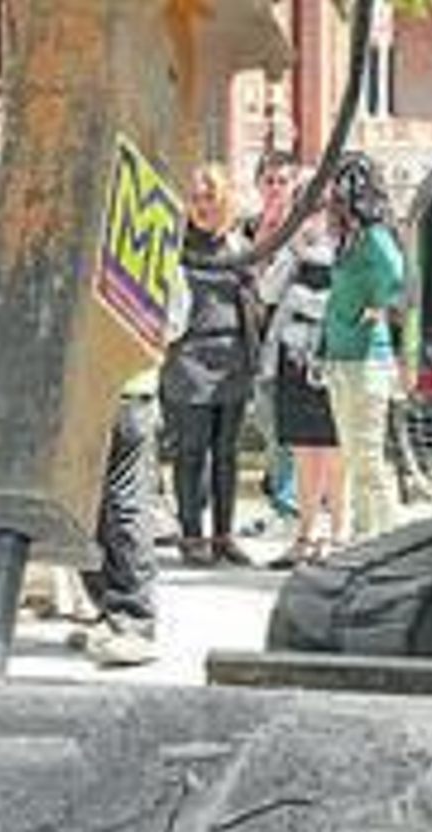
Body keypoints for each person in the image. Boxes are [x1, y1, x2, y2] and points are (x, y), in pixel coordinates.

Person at [161, 163, 259, 567]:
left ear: (224, 201)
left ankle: (223, 535)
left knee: (227, 453)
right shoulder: (175, 245)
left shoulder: (237, 246)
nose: (202, 206)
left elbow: (253, 298)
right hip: (190, 355)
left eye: (210, 198)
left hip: (232, 354)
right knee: (191, 450)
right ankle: (191, 534)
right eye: (196, 198)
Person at [321, 153, 404, 542]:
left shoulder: (373, 237)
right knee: (354, 457)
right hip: (342, 358)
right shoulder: (349, 240)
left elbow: (401, 278)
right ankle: (363, 536)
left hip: (367, 360)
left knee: (368, 459)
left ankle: (388, 538)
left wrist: (377, 308)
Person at [259, 203, 344, 568]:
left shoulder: (346, 246)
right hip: (293, 356)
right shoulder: (293, 249)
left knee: (336, 448)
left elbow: (349, 301)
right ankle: (304, 535)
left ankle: (338, 535)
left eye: (319, 209)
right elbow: (267, 293)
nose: (313, 219)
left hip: (333, 355)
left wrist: (303, 299)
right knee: (303, 448)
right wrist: (289, 252)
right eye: (306, 209)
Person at [74, 373, 161, 667]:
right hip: (100, 391)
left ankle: (133, 623)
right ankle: (111, 615)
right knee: (91, 507)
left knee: (122, 505)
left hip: (119, 390)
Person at [242, 151, 300, 529]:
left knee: (284, 423)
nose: (276, 188)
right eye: (269, 181)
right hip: (252, 336)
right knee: (266, 420)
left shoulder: (302, 229)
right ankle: (281, 490)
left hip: (290, 338)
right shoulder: (246, 229)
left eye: (283, 181)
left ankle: (287, 501)